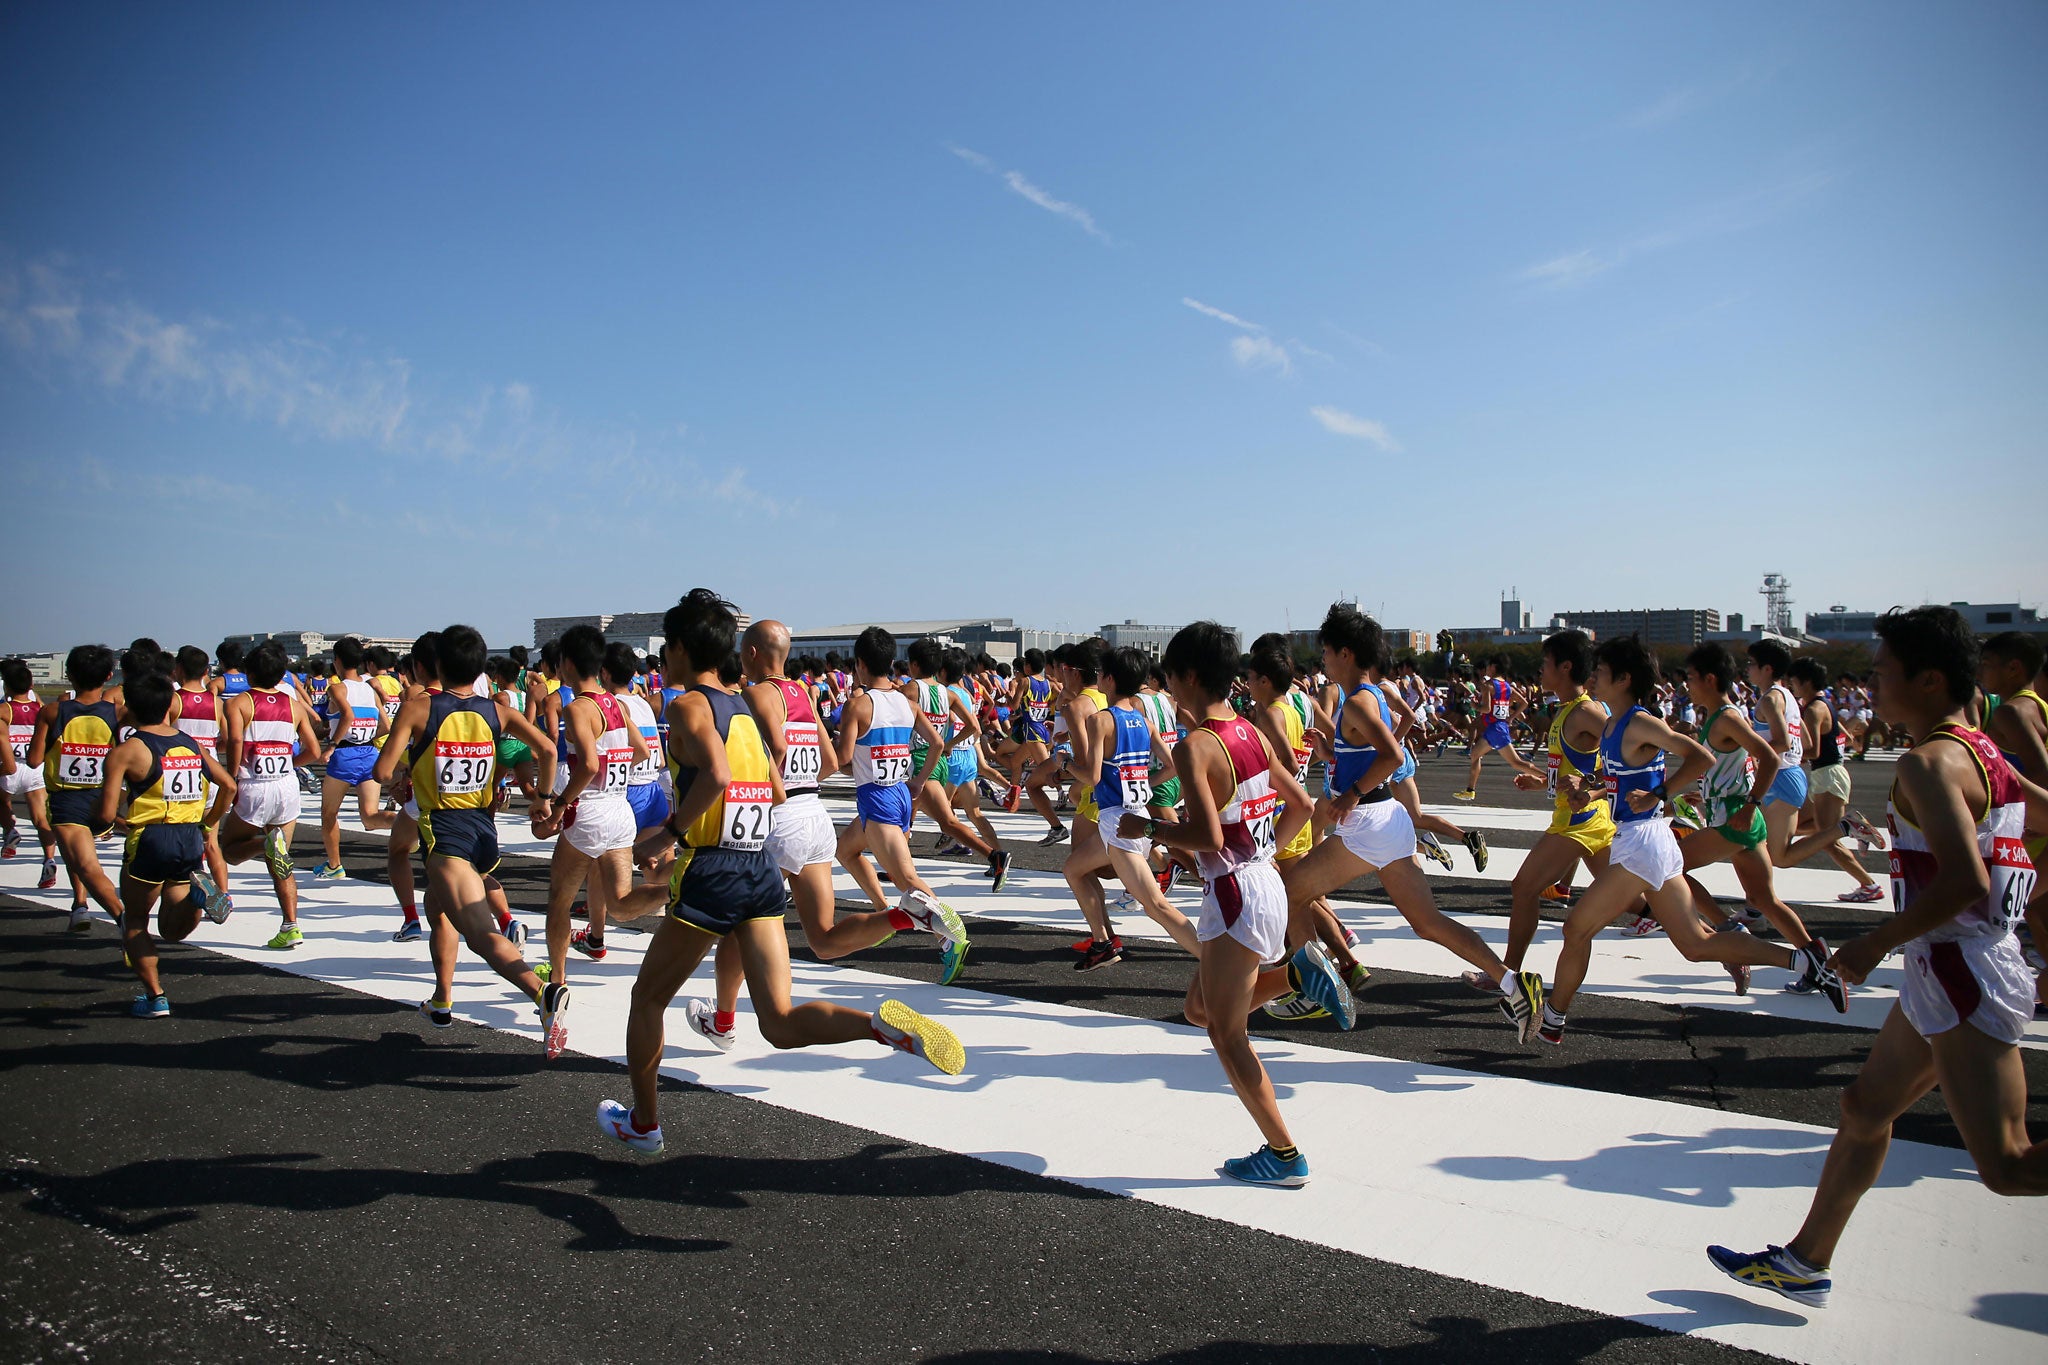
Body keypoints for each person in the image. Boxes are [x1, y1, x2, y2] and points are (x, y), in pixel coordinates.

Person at [1710, 606, 2048, 1309]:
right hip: (1952, 966)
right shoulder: (1980, 750)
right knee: (1864, 1105)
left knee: (2010, 1165)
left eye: (1883, 671)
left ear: (1927, 680)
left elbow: (1964, 880)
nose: (1873, 683)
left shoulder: (1929, 763)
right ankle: (1805, 1261)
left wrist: (1871, 942)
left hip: (1961, 973)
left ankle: (1806, 1259)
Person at [597, 592, 964, 1154]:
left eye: (666, 647)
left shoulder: (688, 706)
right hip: (759, 868)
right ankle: (879, 1027)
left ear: (678, 648)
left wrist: (671, 836)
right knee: (779, 1019)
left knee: (647, 1000)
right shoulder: (742, 709)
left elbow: (718, 776)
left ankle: (644, 1124)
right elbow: (770, 786)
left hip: (716, 870)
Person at [1539, 637, 1841, 1045]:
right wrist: (1587, 791)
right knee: (1697, 945)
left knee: (1576, 927)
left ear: (1624, 678)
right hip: (1644, 842)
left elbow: (1702, 757)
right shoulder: (1611, 724)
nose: (1594, 677)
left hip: (1644, 844)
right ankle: (1805, 960)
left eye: (1602, 672)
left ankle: (1551, 1018)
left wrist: (1660, 795)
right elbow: (1615, 779)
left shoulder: (1641, 722)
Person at [1288, 605, 1545, 1037]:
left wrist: (1350, 795)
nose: (1323, 660)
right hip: (1388, 820)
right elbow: (1368, 756)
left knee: (1291, 893)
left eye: (1327, 651)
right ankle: (1513, 984)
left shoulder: (1356, 703)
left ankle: (1316, 993)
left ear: (1346, 653)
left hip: (1368, 821)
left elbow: (1390, 756)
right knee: (1428, 924)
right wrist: (1330, 755)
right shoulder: (1370, 698)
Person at [1123, 621, 1315, 1184]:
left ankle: (1283, 1154)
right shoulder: (1253, 732)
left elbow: (1206, 837)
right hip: (1261, 883)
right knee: (1199, 1009)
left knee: (1226, 1035)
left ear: (1186, 676)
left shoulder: (1196, 746)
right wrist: (1258, 855)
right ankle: (1297, 978)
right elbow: (1302, 804)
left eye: (1171, 679)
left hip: (1235, 894)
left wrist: (1151, 828)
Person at [373, 624, 567, 1050]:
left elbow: (383, 771)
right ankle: (442, 999)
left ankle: (543, 992)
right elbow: (549, 751)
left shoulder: (419, 708)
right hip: (483, 828)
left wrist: (404, 773)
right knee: (437, 906)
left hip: (446, 832)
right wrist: (543, 800)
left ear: (438, 665)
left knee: (480, 935)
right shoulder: (497, 710)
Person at [1670, 644, 1846, 1007]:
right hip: (1736, 818)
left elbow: (1768, 755)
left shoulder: (1727, 718)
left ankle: (1726, 928)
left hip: (1736, 821)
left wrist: (1749, 805)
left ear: (1709, 679)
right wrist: (1710, 795)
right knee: (1764, 899)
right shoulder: (1719, 716)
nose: (1686, 685)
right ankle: (1819, 961)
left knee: (1668, 865)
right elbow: (1737, 764)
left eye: (1690, 678)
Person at [832, 626, 971, 983]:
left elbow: (842, 759)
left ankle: (951, 936)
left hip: (877, 799)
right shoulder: (906, 702)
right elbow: (938, 743)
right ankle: (882, 912)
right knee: (845, 852)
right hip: (897, 794)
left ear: (859, 663)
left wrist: (838, 750)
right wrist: (919, 781)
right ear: (891, 661)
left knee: (907, 878)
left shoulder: (857, 706)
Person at [95, 671, 237, 1017]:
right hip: (189, 837)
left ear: (129, 707)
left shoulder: (127, 751)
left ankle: (156, 996)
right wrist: (209, 821)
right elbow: (229, 786)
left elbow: (105, 811)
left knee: (136, 921)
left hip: (150, 838)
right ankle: (195, 896)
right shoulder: (192, 744)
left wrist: (118, 821)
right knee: (171, 930)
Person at [1065, 645, 1201, 968]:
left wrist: (1067, 765)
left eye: (1100, 674)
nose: (1097, 678)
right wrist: (1142, 785)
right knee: (1073, 869)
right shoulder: (1144, 721)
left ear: (1110, 679)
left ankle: (1213, 960)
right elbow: (1171, 766)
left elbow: (1092, 776)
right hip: (1136, 818)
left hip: (1117, 823)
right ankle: (1101, 943)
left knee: (1156, 906)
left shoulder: (1101, 721)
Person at [534, 625, 650, 976]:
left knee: (560, 901)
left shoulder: (577, 708)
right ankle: (672, 892)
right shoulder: (615, 702)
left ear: (566, 663)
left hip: (589, 810)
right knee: (622, 904)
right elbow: (642, 751)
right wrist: (611, 768)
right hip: (620, 808)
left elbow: (585, 764)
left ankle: (556, 979)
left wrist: (561, 803)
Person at [216, 641, 325, 950]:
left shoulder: (238, 703)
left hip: (254, 784)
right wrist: (290, 761)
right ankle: (291, 925)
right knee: (281, 859)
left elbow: (235, 738)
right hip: (286, 786)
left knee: (231, 850)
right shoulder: (294, 705)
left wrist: (234, 774)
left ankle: (264, 842)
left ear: (249, 672)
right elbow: (314, 751)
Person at [27, 644, 126, 933]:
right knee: (81, 856)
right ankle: (79, 905)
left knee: (84, 862)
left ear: (69, 674)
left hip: (67, 799)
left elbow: (34, 760)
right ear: (108, 675)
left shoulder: (52, 711)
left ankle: (121, 918)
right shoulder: (119, 713)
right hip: (104, 796)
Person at [1777, 656, 1887, 903]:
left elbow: (1813, 750)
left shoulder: (1813, 710)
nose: (1791, 686)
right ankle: (1856, 829)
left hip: (1827, 775)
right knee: (1809, 828)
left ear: (1805, 682)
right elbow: (1847, 737)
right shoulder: (1826, 705)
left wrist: (1786, 755)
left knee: (1827, 840)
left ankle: (1869, 884)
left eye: (1793, 682)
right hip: (1828, 774)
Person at [313, 635, 393, 880]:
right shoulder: (370, 689)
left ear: (336, 660)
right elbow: (386, 726)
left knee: (328, 814)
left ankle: (334, 864)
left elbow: (346, 715)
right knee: (370, 817)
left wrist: (332, 745)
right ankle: (412, 824)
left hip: (345, 754)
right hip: (370, 753)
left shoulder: (336, 688)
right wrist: (366, 736)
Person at [1, 657, 59, 890]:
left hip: (10, 766)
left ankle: (10, 830)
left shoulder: (5, 709)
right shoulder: (40, 707)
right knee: (40, 819)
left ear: (6, 686)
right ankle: (49, 858)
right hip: (35, 767)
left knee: (3, 803)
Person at [1453, 656, 1521, 800]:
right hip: (1498, 726)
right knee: (1475, 754)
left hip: (1495, 727)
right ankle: (1470, 790)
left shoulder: (1488, 685)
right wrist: (1511, 717)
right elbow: (1524, 702)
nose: (1486, 669)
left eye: (1489, 666)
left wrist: (1474, 705)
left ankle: (1548, 779)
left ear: (1494, 667)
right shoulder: (1507, 686)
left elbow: (1485, 709)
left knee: (1516, 762)